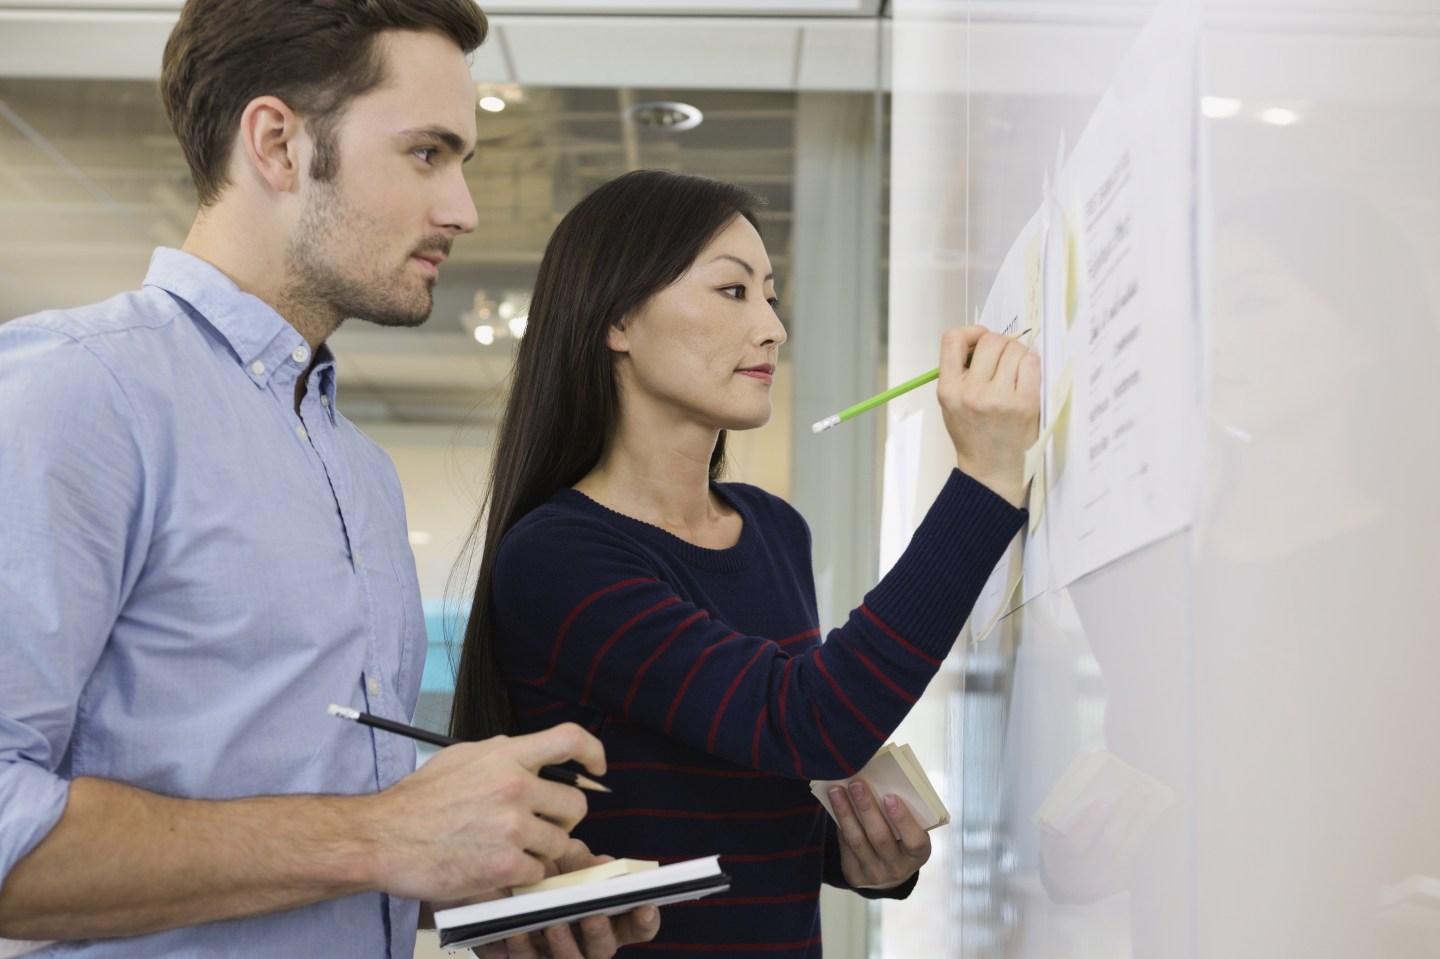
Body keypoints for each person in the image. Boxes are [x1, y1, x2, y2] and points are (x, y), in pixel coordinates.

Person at [0, 1, 658, 957]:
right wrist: (383, 837)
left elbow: (324, 852)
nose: (463, 209)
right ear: (277, 143)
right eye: (427, 154)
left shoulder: (360, 471)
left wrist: (479, 877)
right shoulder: (80, 391)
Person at [449, 169, 1041, 956]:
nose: (771, 326)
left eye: (771, 293)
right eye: (733, 292)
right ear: (618, 318)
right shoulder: (559, 555)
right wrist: (986, 478)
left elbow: (758, 780)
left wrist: (860, 854)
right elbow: (812, 719)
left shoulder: (771, 529)